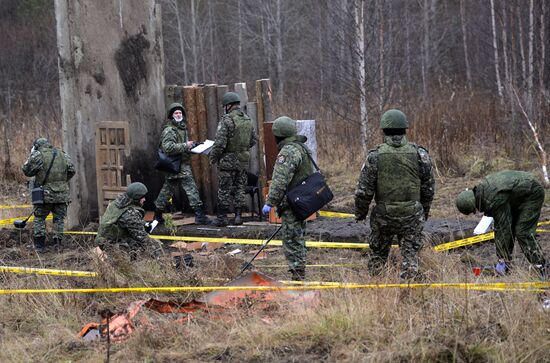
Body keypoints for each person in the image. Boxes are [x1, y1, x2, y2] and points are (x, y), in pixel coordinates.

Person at [355, 109, 435, 280]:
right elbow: (428, 189)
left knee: (377, 258)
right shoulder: (420, 154)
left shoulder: (375, 156)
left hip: (383, 216)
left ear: (383, 130)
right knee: (411, 258)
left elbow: (364, 191)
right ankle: (409, 292)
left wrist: (360, 213)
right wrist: (423, 211)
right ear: (405, 129)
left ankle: (376, 291)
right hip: (412, 214)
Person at [455, 170, 548, 276]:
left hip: (532, 193)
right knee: (511, 225)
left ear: (473, 204)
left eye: (474, 210)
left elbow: (503, 228)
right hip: (520, 193)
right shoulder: (482, 191)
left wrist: (501, 259)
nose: (476, 212)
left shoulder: (493, 199)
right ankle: (507, 264)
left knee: (522, 232)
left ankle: (541, 266)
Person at [262, 116, 314, 281]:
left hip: (293, 203)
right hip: (302, 201)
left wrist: (270, 202)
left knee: (292, 240)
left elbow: (279, 181)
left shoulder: (288, 151)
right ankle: (299, 271)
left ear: (278, 135)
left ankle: (298, 276)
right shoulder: (301, 147)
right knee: (299, 237)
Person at [154, 102, 210, 225]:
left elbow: (180, 147)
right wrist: (186, 146)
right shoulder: (170, 130)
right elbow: (168, 148)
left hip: (178, 164)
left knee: (166, 191)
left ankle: (157, 215)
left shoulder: (181, 128)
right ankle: (199, 216)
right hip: (177, 165)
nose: (178, 114)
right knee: (191, 190)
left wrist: (193, 147)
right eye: (176, 113)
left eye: (180, 112)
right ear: (171, 115)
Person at [209, 92, 257, 226]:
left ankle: (222, 218)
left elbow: (220, 144)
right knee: (240, 188)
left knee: (224, 189)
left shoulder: (226, 120)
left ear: (228, 106)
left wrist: (213, 157)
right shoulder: (247, 119)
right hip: (242, 161)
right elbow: (253, 140)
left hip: (227, 161)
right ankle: (238, 216)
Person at [22, 138, 75, 252]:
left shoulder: (38, 155)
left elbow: (26, 170)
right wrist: (61, 182)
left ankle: (40, 246)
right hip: (62, 194)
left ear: (37, 146)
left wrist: (31, 156)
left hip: (44, 194)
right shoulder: (62, 154)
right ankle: (57, 245)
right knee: (59, 219)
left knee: (40, 218)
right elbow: (72, 170)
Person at [96, 182, 161, 255]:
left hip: (105, 240)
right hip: (110, 245)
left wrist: (144, 224)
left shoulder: (118, 203)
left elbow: (126, 222)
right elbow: (142, 237)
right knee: (141, 246)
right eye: (142, 197)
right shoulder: (130, 213)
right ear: (137, 198)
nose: (144, 199)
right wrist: (158, 253)